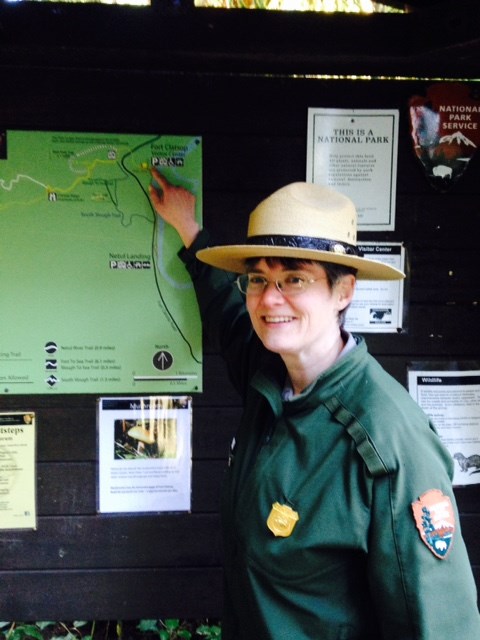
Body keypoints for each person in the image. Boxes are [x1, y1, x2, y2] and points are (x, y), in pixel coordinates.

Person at [149, 170, 480, 640]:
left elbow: (438, 624)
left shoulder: (387, 441)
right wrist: (190, 230)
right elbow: (230, 310)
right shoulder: (272, 377)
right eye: (259, 278)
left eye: (295, 279)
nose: (269, 299)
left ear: (344, 291)